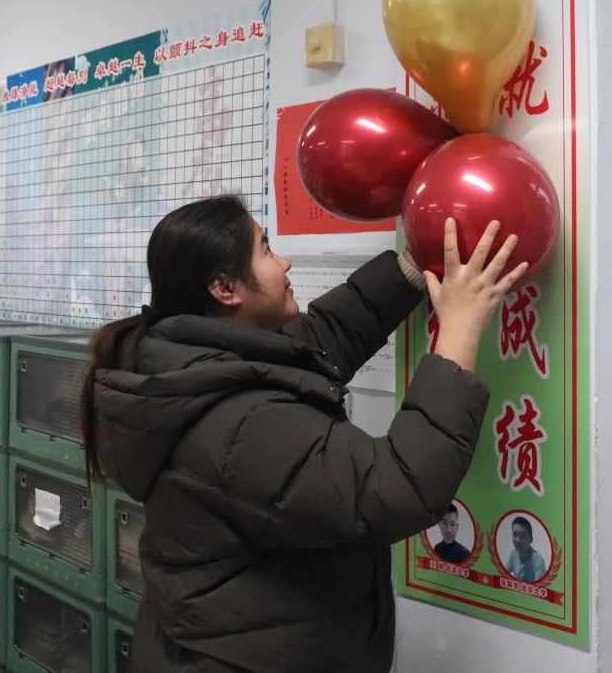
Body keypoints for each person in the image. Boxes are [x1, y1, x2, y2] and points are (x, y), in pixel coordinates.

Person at [81, 195, 527, 672]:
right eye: (266, 250)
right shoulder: (239, 424)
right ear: (226, 288)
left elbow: (318, 341)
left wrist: (413, 266)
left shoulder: (186, 359)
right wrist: (459, 329)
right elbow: (397, 486)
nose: (284, 261)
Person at [505, 516, 547, 582]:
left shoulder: (538, 561)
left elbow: (539, 587)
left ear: (531, 539)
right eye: (515, 534)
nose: (518, 540)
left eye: (522, 536)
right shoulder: (513, 553)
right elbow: (504, 574)